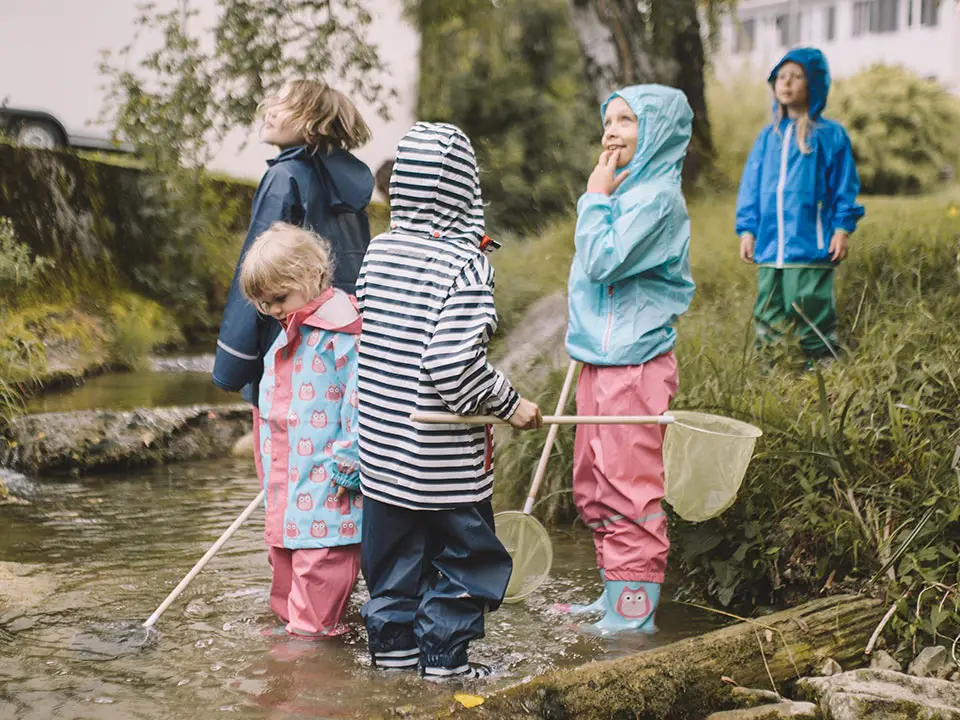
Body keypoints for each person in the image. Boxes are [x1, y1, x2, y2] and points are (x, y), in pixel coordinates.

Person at [355, 122, 543, 680]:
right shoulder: (465, 264)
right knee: (465, 562)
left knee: (392, 567)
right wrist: (509, 404)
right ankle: (444, 668)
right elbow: (452, 367)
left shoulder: (379, 250)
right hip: (441, 463)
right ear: (466, 189)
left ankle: (391, 660)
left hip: (383, 455)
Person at [555, 85, 696, 633]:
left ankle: (634, 614)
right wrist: (603, 197)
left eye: (627, 121)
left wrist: (594, 196)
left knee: (627, 484)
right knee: (594, 483)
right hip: (602, 361)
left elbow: (600, 259)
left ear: (657, 132)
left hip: (634, 366)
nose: (611, 130)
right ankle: (617, 591)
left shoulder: (657, 198)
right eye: (607, 119)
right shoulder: (626, 192)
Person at [213, 79, 374, 408]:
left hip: (288, 346)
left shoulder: (284, 177)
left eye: (284, 104)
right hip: (340, 346)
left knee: (282, 453)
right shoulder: (348, 188)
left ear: (312, 125)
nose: (269, 110)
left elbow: (259, 272)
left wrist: (231, 365)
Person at [238, 221, 363, 638]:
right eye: (263, 303)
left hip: (329, 497)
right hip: (288, 494)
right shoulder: (289, 334)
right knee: (285, 582)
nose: (273, 310)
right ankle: (296, 638)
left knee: (317, 587)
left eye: (279, 298)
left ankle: (311, 668)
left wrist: (351, 459)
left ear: (310, 276)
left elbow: (361, 398)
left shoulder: (342, 332)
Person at [736, 48, 864, 365]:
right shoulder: (767, 137)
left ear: (814, 85)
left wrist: (841, 227)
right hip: (769, 244)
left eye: (796, 77)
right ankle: (772, 363)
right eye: (781, 77)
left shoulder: (830, 135)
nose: (786, 83)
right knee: (768, 307)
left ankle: (821, 364)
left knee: (809, 304)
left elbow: (843, 185)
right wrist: (747, 229)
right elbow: (750, 187)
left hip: (810, 242)